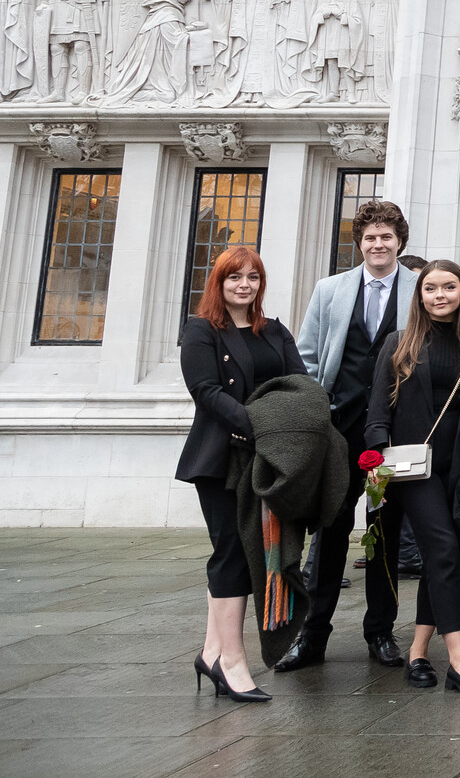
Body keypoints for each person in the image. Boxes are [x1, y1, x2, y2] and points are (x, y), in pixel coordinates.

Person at [285, 199, 418, 671]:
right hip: (338, 432)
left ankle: (380, 633)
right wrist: (315, 413)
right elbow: (306, 357)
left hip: (393, 435)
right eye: (369, 238)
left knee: (384, 533)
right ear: (359, 243)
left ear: (400, 240)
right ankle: (311, 635)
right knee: (330, 530)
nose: (378, 244)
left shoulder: (422, 287)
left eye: (386, 236)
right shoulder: (330, 290)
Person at [364, 259, 460, 695]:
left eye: (448, 287)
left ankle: (418, 654)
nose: (439, 295)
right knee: (443, 547)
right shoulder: (398, 343)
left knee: (436, 558)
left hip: (456, 470)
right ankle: (459, 660)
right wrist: (376, 474)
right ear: (419, 295)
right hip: (407, 471)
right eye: (430, 288)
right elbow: (376, 414)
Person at [176, 247, 309, 702]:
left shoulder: (274, 331)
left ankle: (212, 652)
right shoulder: (200, 331)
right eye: (235, 277)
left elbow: (299, 385)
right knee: (231, 551)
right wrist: (260, 427)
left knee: (244, 551)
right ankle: (233, 662)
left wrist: (287, 430)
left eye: (253, 277)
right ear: (219, 282)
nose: (244, 285)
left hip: (267, 457)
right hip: (220, 459)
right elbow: (206, 391)